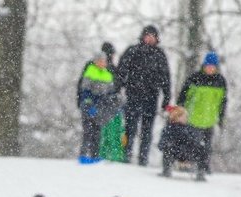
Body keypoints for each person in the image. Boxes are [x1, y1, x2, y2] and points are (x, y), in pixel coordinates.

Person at [116, 25, 171, 166]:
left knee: (147, 130)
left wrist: (166, 98)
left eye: (152, 36)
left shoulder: (160, 55)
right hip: (133, 95)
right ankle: (126, 154)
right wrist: (118, 88)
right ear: (143, 36)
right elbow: (121, 71)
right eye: (147, 35)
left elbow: (166, 78)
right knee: (130, 127)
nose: (149, 38)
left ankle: (143, 158)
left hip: (151, 97)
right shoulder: (132, 51)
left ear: (156, 38)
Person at [176, 51, 227, 175]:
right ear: (204, 65)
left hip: (209, 119)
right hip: (193, 118)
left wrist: (221, 117)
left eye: (212, 66)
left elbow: (223, 101)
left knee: (206, 146)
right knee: (191, 143)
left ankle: (203, 166)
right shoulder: (195, 78)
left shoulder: (220, 81)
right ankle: (187, 163)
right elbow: (183, 94)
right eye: (208, 66)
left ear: (216, 67)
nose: (210, 68)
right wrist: (180, 109)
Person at [77, 51, 117, 163]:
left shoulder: (107, 74)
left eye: (103, 61)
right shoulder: (90, 71)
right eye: (100, 60)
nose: (102, 63)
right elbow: (85, 89)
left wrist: (109, 102)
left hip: (100, 107)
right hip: (88, 105)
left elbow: (110, 91)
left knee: (97, 131)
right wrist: (89, 103)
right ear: (95, 61)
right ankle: (84, 155)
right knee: (88, 131)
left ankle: (95, 155)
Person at [157, 105, 206, 180]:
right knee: (167, 149)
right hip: (174, 151)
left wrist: (195, 145)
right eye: (184, 116)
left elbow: (195, 140)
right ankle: (166, 170)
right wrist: (167, 144)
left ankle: (201, 173)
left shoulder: (190, 128)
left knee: (203, 148)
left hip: (188, 152)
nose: (186, 118)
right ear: (177, 117)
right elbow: (162, 143)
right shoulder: (169, 128)